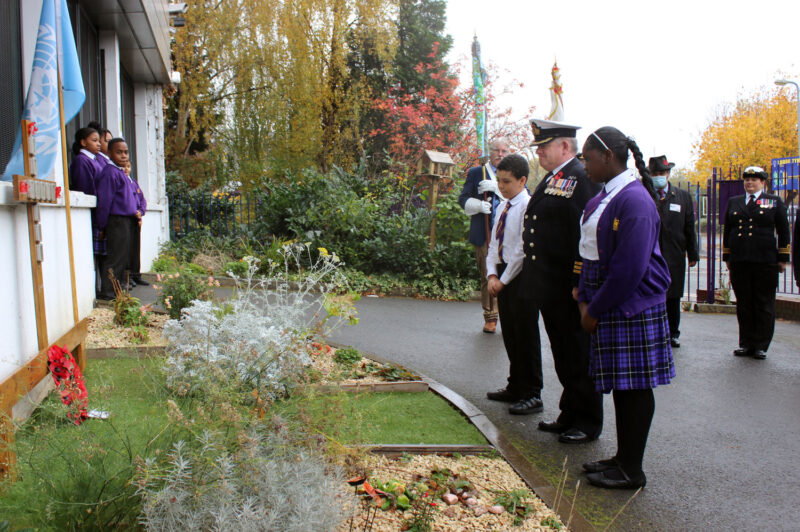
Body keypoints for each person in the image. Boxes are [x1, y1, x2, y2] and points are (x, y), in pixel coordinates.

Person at [577, 126, 674, 489]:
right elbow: (589, 253)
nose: (584, 165)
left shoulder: (634, 201)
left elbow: (629, 269)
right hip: (612, 303)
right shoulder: (603, 195)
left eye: (587, 158)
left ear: (606, 156)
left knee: (634, 389)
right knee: (622, 386)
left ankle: (633, 469)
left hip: (629, 306)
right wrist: (582, 293)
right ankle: (622, 457)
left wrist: (594, 308)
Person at [519, 118, 604, 442]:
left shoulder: (581, 178)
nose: (539, 152)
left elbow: (586, 237)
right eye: (538, 147)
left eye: (544, 146)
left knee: (579, 354)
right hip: (549, 286)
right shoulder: (555, 177)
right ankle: (570, 413)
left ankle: (587, 420)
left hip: (568, 288)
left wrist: (578, 283)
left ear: (565, 146)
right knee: (564, 353)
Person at [484, 154, 541, 414]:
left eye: (507, 181)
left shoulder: (527, 206)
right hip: (502, 273)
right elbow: (495, 243)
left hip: (520, 278)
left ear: (522, 180)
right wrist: (491, 275)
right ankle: (515, 385)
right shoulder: (503, 206)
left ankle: (532, 392)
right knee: (511, 335)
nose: (502, 186)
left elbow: (521, 250)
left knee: (525, 335)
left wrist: (503, 280)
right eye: (499, 181)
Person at [722, 166, 791, 360]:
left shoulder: (773, 202)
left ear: (763, 182)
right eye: (747, 180)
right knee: (744, 303)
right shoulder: (734, 202)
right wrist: (727, 257)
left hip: (765, 261)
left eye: (754, 180)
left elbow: (784, 231)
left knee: (763, 303)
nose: (749, 183)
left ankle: (761, 345)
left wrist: (783, 258)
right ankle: (746, 343)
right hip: (740, 260)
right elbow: (728, 230)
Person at [459, 139, 510, 333]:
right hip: (484, 233)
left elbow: (524, 196)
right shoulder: (476, 173)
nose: (500, 154)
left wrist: (497, 189)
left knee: (508, 273)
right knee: (487, 273)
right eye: (497, 150)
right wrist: (478, 205)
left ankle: (507, 313)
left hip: (507, 233)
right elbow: (462, 199)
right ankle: (490, 316)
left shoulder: (513, 171)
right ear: (490, 152)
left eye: (504, 150)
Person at [649, 155, 699, 348]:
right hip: (650, 254)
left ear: (668, 174)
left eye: (661, 173)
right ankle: (653, 333)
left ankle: (672, 333)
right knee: (652, 294)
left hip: (674, 254)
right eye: (654, 173)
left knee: (673, 296)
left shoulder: (682, 197)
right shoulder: (644, 193)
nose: (658, 177)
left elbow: (689, 227)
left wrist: (692, 253)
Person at [95, 139, 138, 300]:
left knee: (124, 257)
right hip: (116, 221)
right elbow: (105, 201)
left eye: (125, 152)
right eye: (118, 152)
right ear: (109, 153)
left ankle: (117, 289)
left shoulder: (121, 172)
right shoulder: (109, 173)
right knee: (115, 258)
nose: (123, 155)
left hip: (126, 221)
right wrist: (102, 225)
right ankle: (108, 293)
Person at [123, 161, 150, 287]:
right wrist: (134, 211)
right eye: (124, 166)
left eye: (128, 166)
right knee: (127, 249)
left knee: (135, 248)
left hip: (136, 219)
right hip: (128, 218)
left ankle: (136, 274)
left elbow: (142, 200)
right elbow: (127, 201)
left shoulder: (134, 182)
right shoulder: (123, 181)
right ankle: (129, 276)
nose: (126, 169)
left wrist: (141, 212)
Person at [68, 127, 101, 194]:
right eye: (94, 140)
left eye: (99, 141)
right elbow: (84, 188)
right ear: (83, 142)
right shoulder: (81, 160)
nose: (99, 144)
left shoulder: (94, 160)